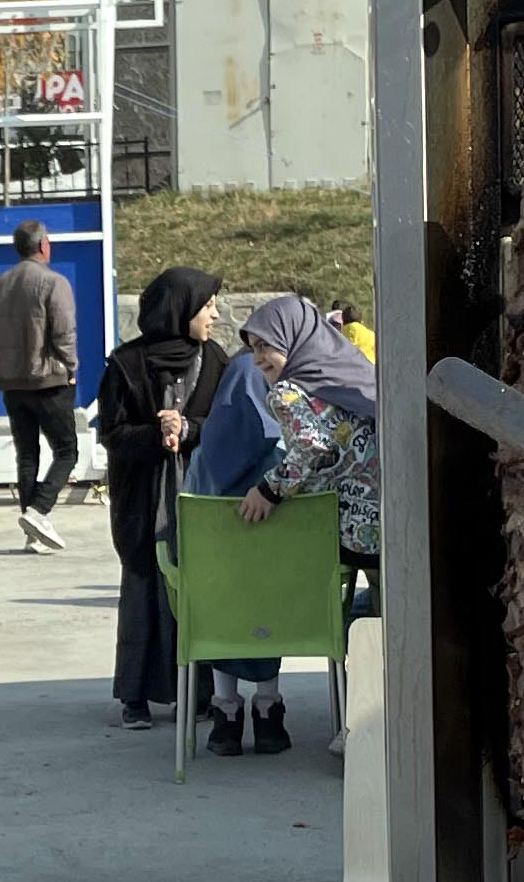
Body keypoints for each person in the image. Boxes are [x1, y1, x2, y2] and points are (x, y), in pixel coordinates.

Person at [182, 293, 380, 759]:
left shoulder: (289, 392)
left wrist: (268, 490)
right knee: (386, 624)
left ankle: (357, 726)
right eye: (252, 350)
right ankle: (379, 723)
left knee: (354, 626)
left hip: (348, 529)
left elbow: (311, 450)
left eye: (265, 347)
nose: (258, 360)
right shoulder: (355, 374)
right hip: (392, 521)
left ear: (292, 340)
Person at [94, 267, 225, 731]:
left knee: (193, 592)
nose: (215, 313)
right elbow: (111, 434)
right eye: (207, 305)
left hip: (197, 495)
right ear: (180, 309)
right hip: (144, 498)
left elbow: (229, 428)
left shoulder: (215, 362)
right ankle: (135, 696)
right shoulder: (126, 367)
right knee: (144, 589)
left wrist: (188, 429)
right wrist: (156, 434)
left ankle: (198, 692)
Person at [0, 218, 82, 551]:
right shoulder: (54, 283)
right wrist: (71, 366)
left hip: (12, 385)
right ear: (43, 246)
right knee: (67, 452)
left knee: (27, 455)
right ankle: (39, 511)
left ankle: (31, 533)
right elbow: (64, 334)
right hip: (49, 381)